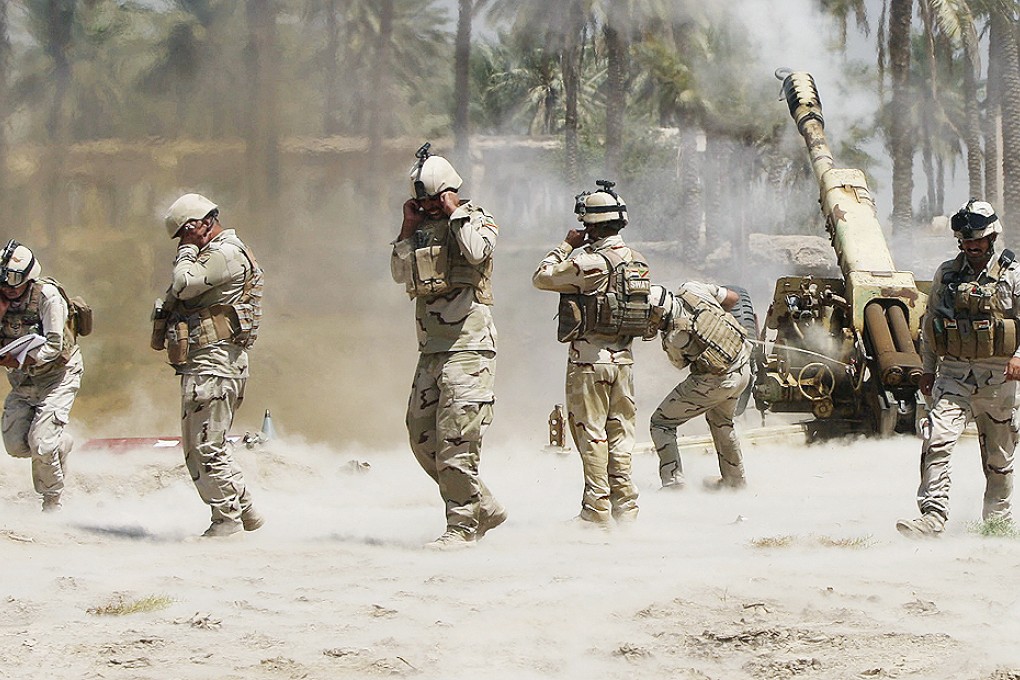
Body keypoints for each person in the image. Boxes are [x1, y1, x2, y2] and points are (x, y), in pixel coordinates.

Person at [389, 146, 506, 550]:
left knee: (457, 440)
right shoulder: (421, 230)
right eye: (421, 202)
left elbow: (476, 251)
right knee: (422, 436)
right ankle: (483, 505)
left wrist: (456, 212)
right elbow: (398, 273)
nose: (427, 208)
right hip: (432, 349)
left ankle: (462, 527)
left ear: (447, 193)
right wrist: (408, 228)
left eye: (432, 200)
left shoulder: (477, 220)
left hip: (469, 348)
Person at [532, 180, 653, 526]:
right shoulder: (638, 261)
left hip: (589, 363)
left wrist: (566, 246)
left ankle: (596, 511)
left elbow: (541, 277)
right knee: (621, 438)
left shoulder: (590, 263)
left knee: (592, 436)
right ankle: (626, 509)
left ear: (592, 226)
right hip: (624, 363)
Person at [897, 199, 1020, 537]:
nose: (971, 246)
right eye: (966, 240)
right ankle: (933, 517)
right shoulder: (947, 274)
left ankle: (997, 524)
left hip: (998, 378)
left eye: (977, 240)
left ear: (991, 237)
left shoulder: (1013, 274)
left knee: (999, 460)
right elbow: (930, 325)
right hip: (953, 375)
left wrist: (1018, 357)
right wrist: (928, 368)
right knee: (935, 439)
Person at [155, 193, 265, 538]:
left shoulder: (224, 253)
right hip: (210, 363)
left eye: (185, 234)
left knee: (204, 448)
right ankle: (244, 510)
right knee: (208, 444)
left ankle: (226, 521)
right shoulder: (218, 253)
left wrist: (186, 252)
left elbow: (183, 284)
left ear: (199, 224)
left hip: (214, 364)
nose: (183, 242)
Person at [0, 240, 85, 512]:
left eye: (13, 280)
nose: (7, 286)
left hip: (57, 377)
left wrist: (21, 359)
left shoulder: (48, 297)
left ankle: (52, 501)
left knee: (41, 444)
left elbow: (54, 345)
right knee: (15, 445)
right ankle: (60, 443)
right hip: (23, 382)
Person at [647, 282, 751, 491]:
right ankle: (735, 482)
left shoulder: (673, 337)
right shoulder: (692, 288)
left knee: (661, 423)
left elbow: (680, 364)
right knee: (722, 422)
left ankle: (673, 483)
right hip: (743, 369)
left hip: (716, 381)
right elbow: (733, 298)